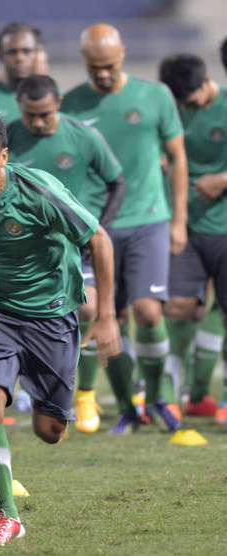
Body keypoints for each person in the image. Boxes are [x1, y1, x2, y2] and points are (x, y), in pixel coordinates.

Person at [0, 111, 119, 545]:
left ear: (4, 156)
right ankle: (7, 516)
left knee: (50, 432)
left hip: (53, 315)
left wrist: (106, 316)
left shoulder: (38, 190)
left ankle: (47, 392)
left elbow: (98, 238)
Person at [62, 22, 189, 434]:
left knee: (150, 313)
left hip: (149, 220)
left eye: (109, 65)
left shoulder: (155, 96)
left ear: (124, 54)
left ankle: (157, 397)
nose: (102, 74)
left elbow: (178, 157)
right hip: (97, 226)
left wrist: (179, 220)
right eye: (94, 66)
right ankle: (126, 409)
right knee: (101, 316)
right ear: (84, 61)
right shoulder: (72, 105)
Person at [8, 74, 125, 433]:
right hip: (22, 249)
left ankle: (86, 394)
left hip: (74, 247)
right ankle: (33, 389)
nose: (38, 122)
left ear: (58, 102)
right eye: (31, 115)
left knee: (89, 308)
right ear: (20, 108)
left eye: (45, 114)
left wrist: (95, 230)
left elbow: (116, 181)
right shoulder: (8, 137)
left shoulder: (83, 136)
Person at [158, 54, 227, 423]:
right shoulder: (171, 112)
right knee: (180, 306)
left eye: (191, 99)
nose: (187, 106)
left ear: (207, 80)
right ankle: (169, 391)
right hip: (184, 225)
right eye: (180, 101)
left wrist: (222, 180)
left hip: (225, 227)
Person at [0, 22, 47, 124]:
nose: (20, 58)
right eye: (12, 52)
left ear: (37, 53)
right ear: (0, 55)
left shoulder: (54, 97)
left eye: (26, 51)